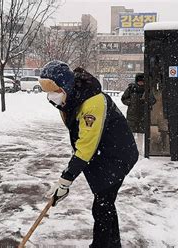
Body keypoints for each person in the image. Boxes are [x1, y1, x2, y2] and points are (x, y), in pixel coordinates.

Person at [39, 61, 138, 247]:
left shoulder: (92, 103)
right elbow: (81, 139)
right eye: (47, 90)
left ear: (65, 85)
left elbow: (86, 145)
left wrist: (66, 179)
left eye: (54, 90)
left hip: (118, 155)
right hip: (102, 154)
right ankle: (113, 244)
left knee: (102, 205)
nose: (50, 96)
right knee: (105, 204)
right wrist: (68, 176)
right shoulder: (71, 98)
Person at [121, 73, 156, 155]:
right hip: (132, 115)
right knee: (131, 134)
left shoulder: (147, 90)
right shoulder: (131, 88)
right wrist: (130, 103)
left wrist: (146, 102)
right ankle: (131, 150)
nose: (141, 83)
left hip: (142, 115)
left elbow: (153, 100)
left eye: (142, 81)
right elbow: (123, 99)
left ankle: (139, 151)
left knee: (141, 134)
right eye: (139, 81)